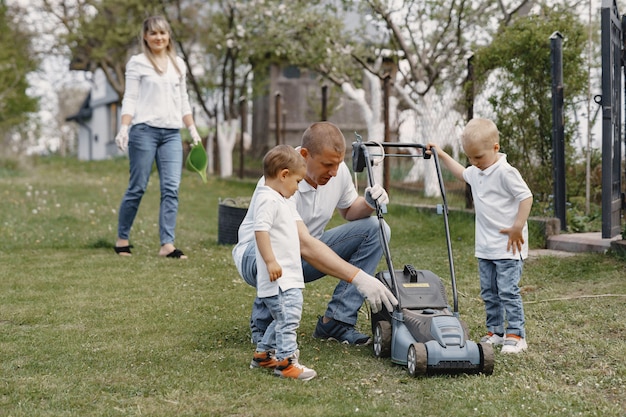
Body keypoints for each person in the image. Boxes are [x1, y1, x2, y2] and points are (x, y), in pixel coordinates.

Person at [233, 121, 397, 347]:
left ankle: (337, 321)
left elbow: (349, 210)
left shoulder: (337, 172)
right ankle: (264, 324)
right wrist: (359, 278)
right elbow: (302, 243)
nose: (334, 172)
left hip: (303, 253)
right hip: (257, 255)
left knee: (377, 229)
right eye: (327, 164)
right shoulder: (279, 178)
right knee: (283, 241)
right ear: (304, 154)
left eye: (338, 164)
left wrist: (369, 202)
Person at [427, 118, 533, 354]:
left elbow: (526, 197)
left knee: (507, 290)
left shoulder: (505, 172)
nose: (474, 163)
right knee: (489, 292)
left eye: (478, 157)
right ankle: (495, 331)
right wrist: (442, 154)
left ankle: (516, 334)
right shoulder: (477, 171)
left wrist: (518, 226)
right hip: (485, 246)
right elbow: (461, 173)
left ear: (495, 148)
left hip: (508, 246)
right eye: (470, 158)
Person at [113, 15, 202, 259]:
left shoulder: (179, 64)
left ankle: (167, 245)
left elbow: (183, 100)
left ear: (168, 35)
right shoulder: (137, 63)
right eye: (153, 33)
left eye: (162, 33)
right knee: (138, 186)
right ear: (145, 36)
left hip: (172, 133)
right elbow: (130, 97)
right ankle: (122, 239)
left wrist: (192, 129)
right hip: (144, 131)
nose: (158, 38)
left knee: (171, 188)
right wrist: (124, 127)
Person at [248, 144, 316, 380]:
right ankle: (286, 362)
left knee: (281, 319)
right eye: (297, 182)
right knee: (289, 320)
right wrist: (270, 261)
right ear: (284, 174)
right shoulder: (268, 200)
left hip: (286, 278)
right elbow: (260, 230)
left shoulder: (280, 199)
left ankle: (263, 355)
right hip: (280, 280)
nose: (298, 188)